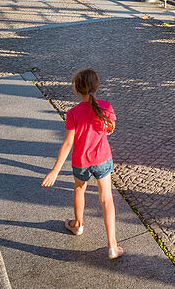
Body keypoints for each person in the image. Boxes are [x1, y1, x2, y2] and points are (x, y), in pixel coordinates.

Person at [41, 68, 122, 260]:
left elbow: (68, 143)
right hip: (102, 159)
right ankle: (112, 245)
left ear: (77, 90)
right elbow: (111, 127)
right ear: (97, 85)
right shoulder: (106, 106)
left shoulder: (73, 113)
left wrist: (55, 171)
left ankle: (78, 225)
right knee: (106, 199)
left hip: (81, 161)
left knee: (79, 190)